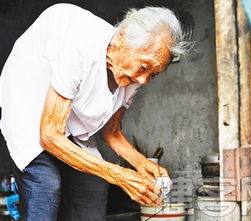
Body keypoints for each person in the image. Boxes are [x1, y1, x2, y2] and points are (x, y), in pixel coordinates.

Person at [0, 3, 187, 221]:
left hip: (68, 121)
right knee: (46, 184)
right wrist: (120, 175)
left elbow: (112, 132)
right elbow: (50, 136)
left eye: (154, 74)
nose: (143, 80)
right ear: (121, 39)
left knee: (93, 186)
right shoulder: (79, 45)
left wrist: (141, 162)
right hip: (30, 104)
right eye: (144, 68)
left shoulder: (131, 73)